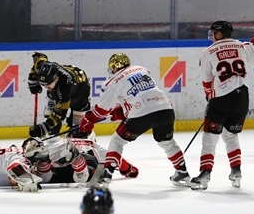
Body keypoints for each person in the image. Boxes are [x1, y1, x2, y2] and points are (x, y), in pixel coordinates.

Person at [79, 53, 191, 187]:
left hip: (142, 112)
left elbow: (102, 110)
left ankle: (106, 176)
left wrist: (88, 119)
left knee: (117, 140)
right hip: (165, 109)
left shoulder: (113, 81)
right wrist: (123, 110)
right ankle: (182, 172)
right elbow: (142, 93)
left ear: (114, 67)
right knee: (166, 141)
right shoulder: (142, 70)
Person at [190, 20, 254, 190]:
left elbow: (206, 82)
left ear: (219, 33)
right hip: (242, 97)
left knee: (210, 137)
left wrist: (210, 98)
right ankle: (236, 171)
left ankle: (205, 174)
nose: (212, 35)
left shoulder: (208, 52)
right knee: (230, 135)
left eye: (213, 32)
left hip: (221, 99)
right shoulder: (243, 46)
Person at [27, 52, 92, 139]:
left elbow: (59, 115)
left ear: (56, 78)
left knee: (79, 130)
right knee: (52, 125)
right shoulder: (43, 68)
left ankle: (86, 139)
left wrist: (43, 128)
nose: (46, 87)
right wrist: (32, 80)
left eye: (48, 84)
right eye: (43, 84)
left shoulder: (66, 88)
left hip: (80, 92)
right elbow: (38, 56)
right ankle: (53, 143)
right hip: (62, 85)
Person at [22, 136, 139, 184]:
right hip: (88, 161)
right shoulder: (91, 143)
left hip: (61, 164)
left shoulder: (53, 143)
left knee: (45, 177)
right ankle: (77, 160)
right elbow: (114, 156)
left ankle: (44, 162)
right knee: (83, 177)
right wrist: (129, 169)